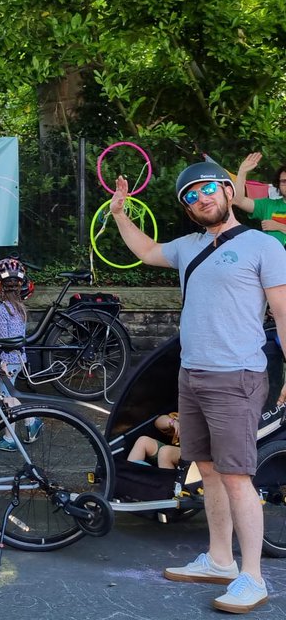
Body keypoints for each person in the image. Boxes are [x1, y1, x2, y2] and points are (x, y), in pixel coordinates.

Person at [110, 161, 286, 613]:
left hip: (238, 377)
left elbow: (284, 315)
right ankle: (221, 560)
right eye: (190, 195)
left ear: (228, 190)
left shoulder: (263, 245)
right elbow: (147, 251)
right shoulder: (188, 247)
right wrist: (119, 213)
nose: (200, 199)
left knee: (237, 476)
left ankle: (253, 577)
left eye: (207, 189)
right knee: (205, 470)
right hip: (192, 374)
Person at [0, 258, 37, 452]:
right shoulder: (20, 308)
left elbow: (5, 340)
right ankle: (31, 421)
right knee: (9, 396)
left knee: (6, 399)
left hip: (6, 361)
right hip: (18, 358)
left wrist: (3, 364)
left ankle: (11, 437)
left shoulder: (1, 310)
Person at [234, 152, 286, 249]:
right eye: (284, 181)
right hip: (269, 261)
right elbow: (238, 201)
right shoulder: (268, 205)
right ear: (278, 184)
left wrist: (279, 226)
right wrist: (242, 172)